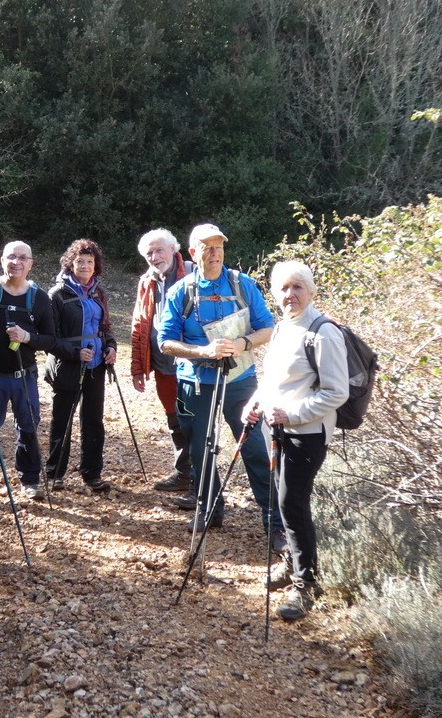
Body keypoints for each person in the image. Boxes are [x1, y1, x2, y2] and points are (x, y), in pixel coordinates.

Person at [158, 224, 284, 544]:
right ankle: (208, 509)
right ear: (192, 253)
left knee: (255, 447)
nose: (215, 254)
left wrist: (241, 343)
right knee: (200, 448)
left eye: (219, 247)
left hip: (240, 380)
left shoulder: (243, 285)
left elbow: (268, 328)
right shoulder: (181, 292)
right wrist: (202, 351)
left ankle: (276, 523)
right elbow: (165, 343)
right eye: (207, 247)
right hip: (195, 383)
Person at [242, 260, 348, 620]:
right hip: (277, 429)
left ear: (311, 290)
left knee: (293, 504)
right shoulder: (284, 328)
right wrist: (254, 404)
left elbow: (336, 393)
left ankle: (306, 585)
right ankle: (292, 566)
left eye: (297, 287)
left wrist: (293, 415)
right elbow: (272, 380)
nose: (290, 294)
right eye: (283, 288)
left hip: (307, 434)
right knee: (283, 500)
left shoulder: (323, 332)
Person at [0, 241, 57, 506]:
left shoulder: (40, 298)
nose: (16, 262)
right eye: (11, 257)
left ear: (31, 263)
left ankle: (30, 481)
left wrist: (27, 336)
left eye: (22, 258)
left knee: (29, 427)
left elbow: (51, 340)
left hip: (24, 375)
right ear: (2, 260)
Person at [44, 239, 117, 492]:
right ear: (70, 264)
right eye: (80, 261)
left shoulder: (99, 292)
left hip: (96, 365)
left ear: (95, 266)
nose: (85, 266)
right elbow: (49, 338)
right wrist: (75, 353)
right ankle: (54, 474)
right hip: (67, 366)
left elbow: (105, 327)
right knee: (62, 419)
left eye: (89, 261)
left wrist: (111, 347)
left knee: (94, 419)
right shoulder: (57, 294)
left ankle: (92, 474)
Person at [130, 228, 192, 493]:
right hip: (163, 365)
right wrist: (137, 367)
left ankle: (200, 482)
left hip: (193, 364)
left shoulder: (194, 273)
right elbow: (139, 325)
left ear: (173, 250)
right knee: (174, 419)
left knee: (194, 420)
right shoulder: (147, 281)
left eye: (159, 250)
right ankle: (183, 474)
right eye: (149, 253)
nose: (155, 257)